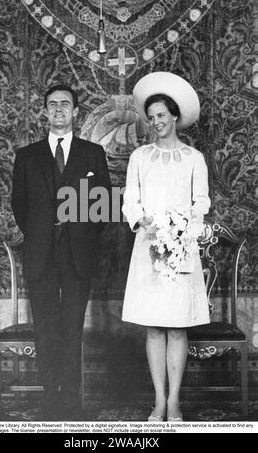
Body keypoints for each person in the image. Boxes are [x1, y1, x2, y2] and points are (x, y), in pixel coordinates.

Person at [11, 84, 111, 421]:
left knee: (71, 328)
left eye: (64, 104)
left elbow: (101, 205)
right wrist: (43, 234)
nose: (58, 110)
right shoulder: (27, 156)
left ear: (75, 112)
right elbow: (20, 207)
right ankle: (49, 399)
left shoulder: (92, 153)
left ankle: (71, 400)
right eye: (52, 104)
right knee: (46, 328)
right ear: (44, 111)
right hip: (40, 255)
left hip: (77, 256)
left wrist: (78, 234)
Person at [122, 72, 211, 422]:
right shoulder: (140, 157)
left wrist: (185, 232)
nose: (156, 122)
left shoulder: (194, 158)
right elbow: (132, 200)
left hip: (182, 249)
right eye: (151, 117)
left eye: (162, 115)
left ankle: (175, 401)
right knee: (154, 326)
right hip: (149, 248)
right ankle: (159, 400)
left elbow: (200, 202)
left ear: (174, 116)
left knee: (177, 326)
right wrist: (143, 222)